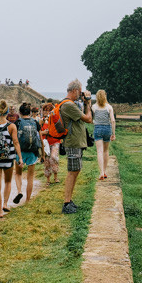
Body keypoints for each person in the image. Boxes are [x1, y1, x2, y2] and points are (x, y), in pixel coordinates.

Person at [60, 80, 93, 214]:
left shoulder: (70, 104)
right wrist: (88, 103)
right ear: (74, 91)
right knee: (72, 172)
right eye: (79, 92)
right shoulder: (68, 105)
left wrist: (85, 103)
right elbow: (88, 119)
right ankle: (66, 202)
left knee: (76, 170)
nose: (80, 95)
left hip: (76, 142)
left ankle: (69, 200)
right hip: (72, 142)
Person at [0, 100, 23, 218]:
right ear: (7, 112)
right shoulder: (12, 126)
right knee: (7, 181)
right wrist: (20, 158)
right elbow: (16, 142)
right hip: (8, 158)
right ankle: (5, 204)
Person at [13, 103, 41, 205]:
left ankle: (19, 191)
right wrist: (41, 152)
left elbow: (15, 139)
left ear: (20, 113)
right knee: (30, 177)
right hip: (32, 151)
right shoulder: (35, 122)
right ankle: (28, 201)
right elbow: (40, 137)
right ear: (30, 112)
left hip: (20, 151)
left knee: (18, 173)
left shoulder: (17, 122)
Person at [92, 90, 116, 180]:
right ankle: (105, 171)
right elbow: (113, 120)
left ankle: (101, 172)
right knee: (106, 151)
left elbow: (91, 119)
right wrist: (113, 133)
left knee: (99, 151)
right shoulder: (109, 107)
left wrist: (95, 122)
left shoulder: (94, 107)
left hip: (97, 129)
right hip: (107, 129)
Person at [42, 102, 61, 184]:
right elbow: (38, 132)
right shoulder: (41, 120)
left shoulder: (54, 119)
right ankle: (48, 179)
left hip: (55, 141)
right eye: (45, 110)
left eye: (48, 110)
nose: (46, 112)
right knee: (47, 161)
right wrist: (44, 132)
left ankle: (56, 176)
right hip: (45, 143)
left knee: (53, 157)